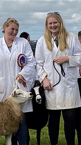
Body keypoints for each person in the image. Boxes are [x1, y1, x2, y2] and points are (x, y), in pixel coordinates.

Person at [0, 17, 36, 145]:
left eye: (17, 30)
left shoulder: (23, 43)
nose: (15, 32)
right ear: (5, 28)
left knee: (21, 124)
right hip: (2, 89)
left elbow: (31, 62)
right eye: (12, 29)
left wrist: (23, 74)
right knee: (2, 123)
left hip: (20, 90)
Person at [35, 12, 81, 145]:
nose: (53, 25)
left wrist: (68, 59)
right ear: (46, 25)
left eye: (55, 22)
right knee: (53, 122)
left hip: (69, 87)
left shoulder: (71, 38)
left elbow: (80, 57)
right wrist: (44, 79)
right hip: (52, 87)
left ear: (60, 23)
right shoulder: (41, 41)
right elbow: (38, 64)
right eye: (50, 23)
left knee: (70, 121)